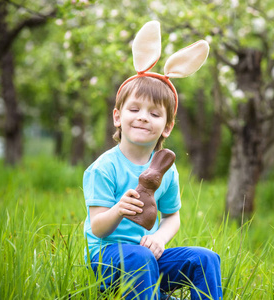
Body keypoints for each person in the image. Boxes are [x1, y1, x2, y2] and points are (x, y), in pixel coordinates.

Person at [83, 21, 222, 300]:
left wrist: (159, 238)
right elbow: (97, 227)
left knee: (206, 259)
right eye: (134, 109)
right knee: (139, 259)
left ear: (167, 127)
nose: (144, 116)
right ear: (118, 117)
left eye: (155, 114)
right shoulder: (104, 168)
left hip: (149, 255)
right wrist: (119, 210)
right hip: (107, 259)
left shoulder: (167, 171)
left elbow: (172, 216)